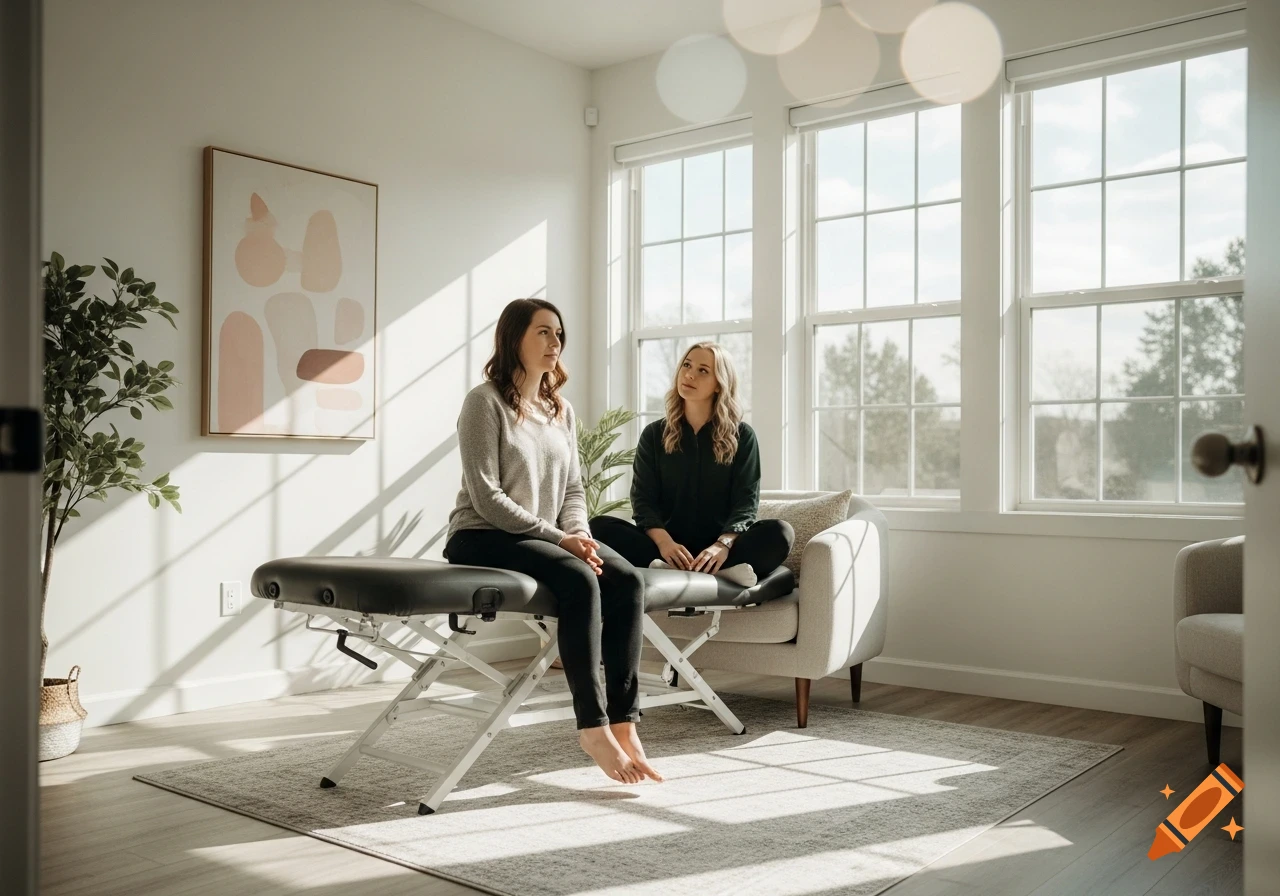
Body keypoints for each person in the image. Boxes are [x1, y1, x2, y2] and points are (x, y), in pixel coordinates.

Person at [444, 298, 662, 785]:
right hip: (481, 535)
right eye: (543, 332)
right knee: (580, 581)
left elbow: (574, 489)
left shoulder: (560, 409)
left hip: (550, 536)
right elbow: (486, 496)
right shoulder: (484, 402)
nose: (555, 342)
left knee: (625, 580)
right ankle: (593, 727)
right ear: (513, 338)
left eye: (559, 334)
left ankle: (625, 720)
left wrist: (580, 534)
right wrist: (562, 540)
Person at [591, 342, 793, 587]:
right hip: (666, 548)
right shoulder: (654, 434)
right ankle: (693, 571)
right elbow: (643, 501)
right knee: (599, 527)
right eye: (687, 365)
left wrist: (723, 545)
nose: (689, 374)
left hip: (721, 548)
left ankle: (713, 569)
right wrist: (665, 544)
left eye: (703, 370)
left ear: (719, 384)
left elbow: (746, 503)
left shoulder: (742, 436)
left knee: (780, 532)